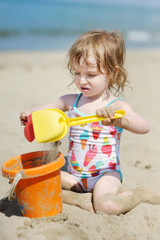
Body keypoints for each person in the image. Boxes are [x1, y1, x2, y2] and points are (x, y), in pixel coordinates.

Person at [20, 30, 160, 215]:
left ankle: (139, 195)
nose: (81, 80)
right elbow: (50, 108)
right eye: (77, 73)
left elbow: (144, 125)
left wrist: (121, 120)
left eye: (91, 75)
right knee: (31, 182)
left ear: (112, 72)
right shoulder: (70, 101)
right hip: (74, 175)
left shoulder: (116, 105)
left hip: (104, 175)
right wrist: (31, 113)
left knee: (107, 206)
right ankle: (80, 199)